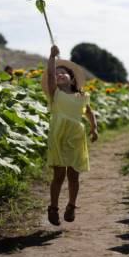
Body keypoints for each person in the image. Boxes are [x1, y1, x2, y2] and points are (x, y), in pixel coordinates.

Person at [41, 44, 98, 226]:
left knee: (74, 175)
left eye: (63, 72)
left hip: (76, 136)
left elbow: (88, 112)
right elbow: (49, 74)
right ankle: (53, 208)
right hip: (58, 135)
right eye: (56, 73)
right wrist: (51, 57)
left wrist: (94, 127)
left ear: (72, 78)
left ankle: (72, 205)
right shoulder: (55, 94)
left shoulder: (82, 96)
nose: (58, 74)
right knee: (59, 175)